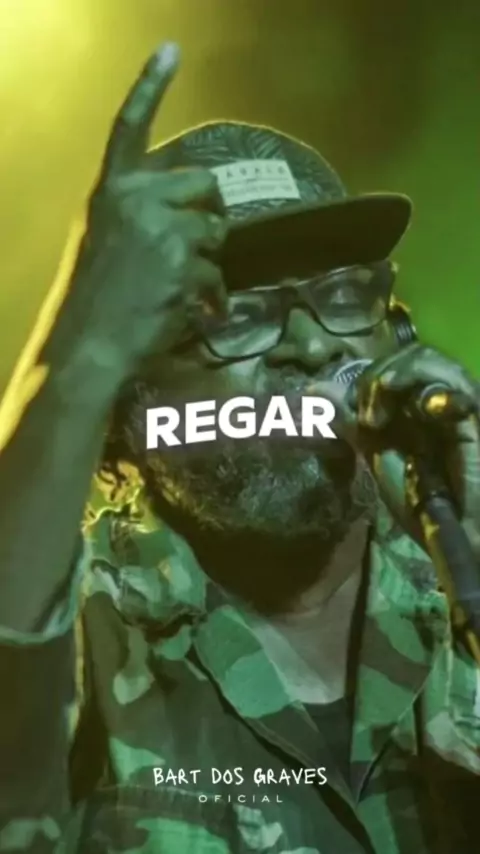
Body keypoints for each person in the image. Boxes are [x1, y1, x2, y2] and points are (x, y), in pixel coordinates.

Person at [0, 41, 479, 854]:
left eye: (342, 295)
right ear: (130, 398)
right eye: (237, 314)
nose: (308, 344)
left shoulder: (457, 584)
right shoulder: (86, 623)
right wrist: (77, 354)